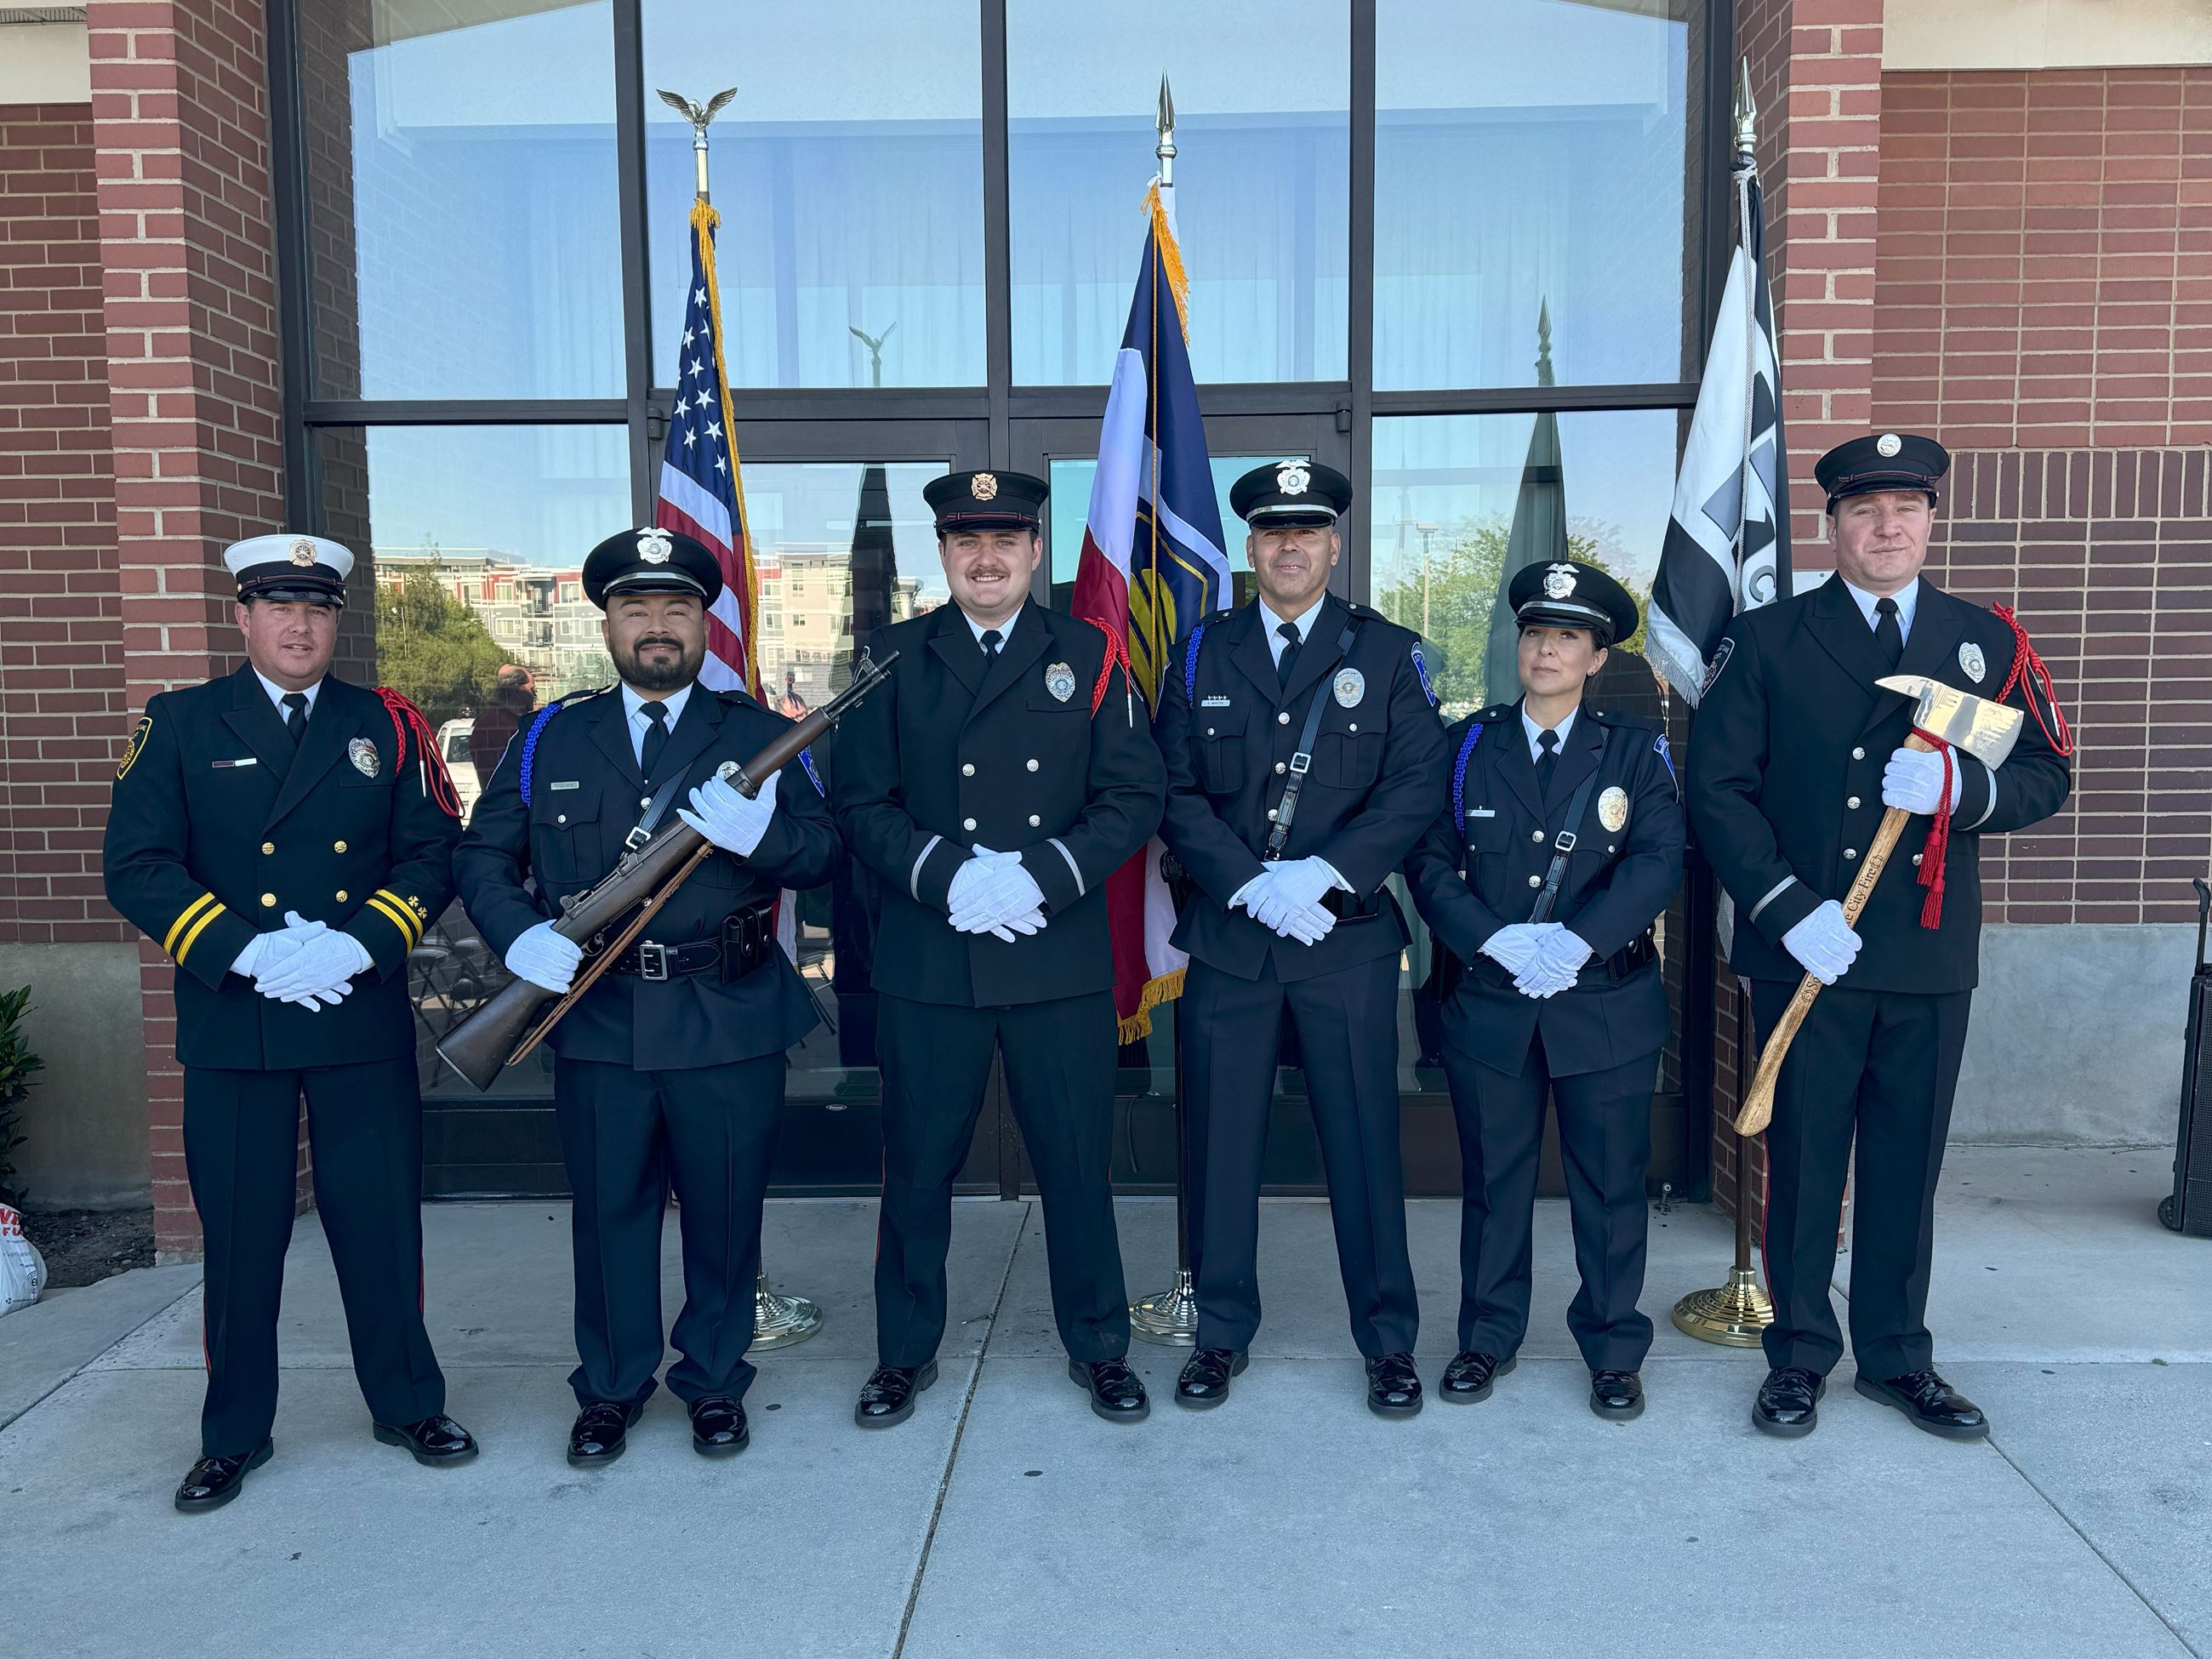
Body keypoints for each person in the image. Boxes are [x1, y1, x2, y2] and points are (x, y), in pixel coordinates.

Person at [1687, 433, 2073, 1440]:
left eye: (1905, 507)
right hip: (1809, 946)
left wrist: (1965, 786)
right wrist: (1782, 908)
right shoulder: (1767, 639)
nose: (1886, 526)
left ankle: (1897, 1359)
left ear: (1932, 520)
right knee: (1806, 1164)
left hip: (1925, 952)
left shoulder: (1983, 639)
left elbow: (2047, 771)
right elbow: (1716, 791)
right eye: (1863, 511)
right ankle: (1800, 1355)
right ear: (1828, 527)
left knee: (1905, 1165)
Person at [452, 527, 839, 1467]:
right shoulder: (552, 734)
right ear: (608, 622)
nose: (657, 627)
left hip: (727, 1010)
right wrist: (522, 936)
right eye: (637, 609)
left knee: (724, 1213)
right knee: (608, 1215)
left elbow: (829, 858)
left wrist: (762, 839)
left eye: (675, 609)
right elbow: (480, 854)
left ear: (703, 622)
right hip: (597, 1016)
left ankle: (712, 1380)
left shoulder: (757, 733)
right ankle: (612, 1388)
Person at [103, 533, 475, 1513]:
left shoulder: (385, 724)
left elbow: (431, 854)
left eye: (316, 608)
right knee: (237, 1237)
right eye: (277, 606)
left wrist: (358, 946)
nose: (298, 624)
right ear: (243, 616)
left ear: (335, 620)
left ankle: (407, 1403)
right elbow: (137, 864)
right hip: (238, 1020)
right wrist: (251, 951)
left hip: (355, 1012)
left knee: (381, 1223)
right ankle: (232, 1435)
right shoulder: (178, 722)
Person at [834, 470, 1164, 1428]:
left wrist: (1038, 875)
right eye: (966, 540)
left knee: (1074, 1164)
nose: (986, 557)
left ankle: (1100, 1348)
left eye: (1006, 539)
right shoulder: (891, 657)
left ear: (1033, 552)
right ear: (942, 552)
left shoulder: (1090, 653)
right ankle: (903, 1355)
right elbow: (859, 803)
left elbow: (1131, 796)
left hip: (1053, 956)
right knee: (919, 1168)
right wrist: (951, 877)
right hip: (931, 961)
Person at [1154, 459, 1448, 1416]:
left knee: (1363, 1145)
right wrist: (1248, 882)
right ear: (1250, 547)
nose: (1290, 546)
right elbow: (1172, 787)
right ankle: (1220, 1331)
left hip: (1345, 944)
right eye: (1273, 532)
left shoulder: (1391, 653)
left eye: (1308, 531)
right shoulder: (1200, 653)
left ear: (1333, 544)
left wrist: (1321, 875)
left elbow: (1413, 788)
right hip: (1233, 944)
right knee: (1218, 1146)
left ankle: (1386, 1340)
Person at [1403, 559, 1684, 1421]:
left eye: (1566, 637)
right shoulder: (1466, 747)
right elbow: (1425, 859)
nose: (1546, 650)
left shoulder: (1635, 754)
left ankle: (1610, 1348)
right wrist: (1488, 937)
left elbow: (1657, 860)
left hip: (1600, 1002)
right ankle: (1485, 1338)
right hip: (1491, 1002)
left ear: (1597, 657)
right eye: (1534, 633)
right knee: (1493, 1183)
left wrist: (1575, 941)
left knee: (1608, 1185)